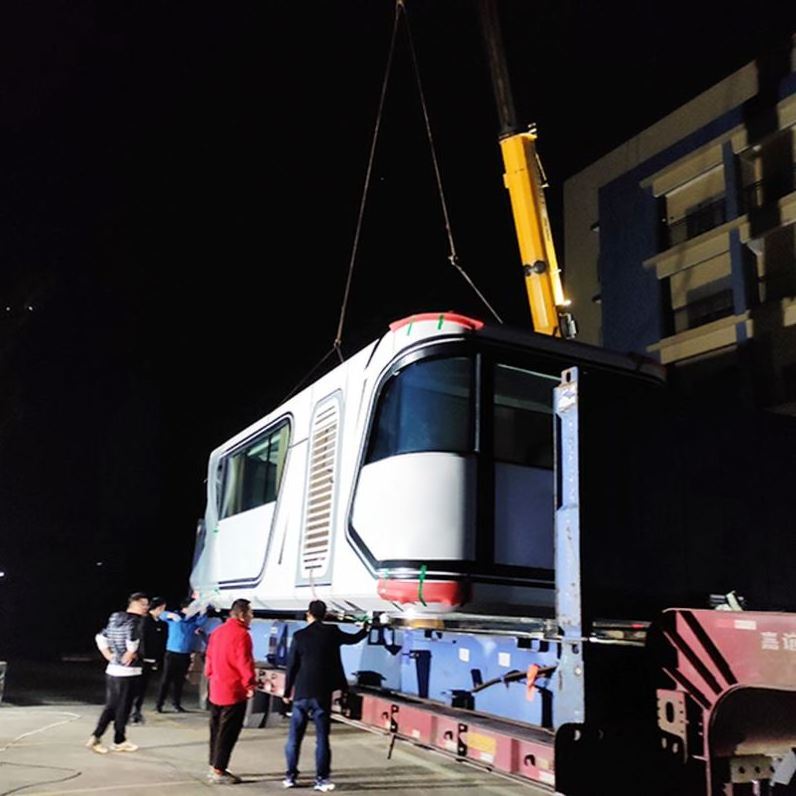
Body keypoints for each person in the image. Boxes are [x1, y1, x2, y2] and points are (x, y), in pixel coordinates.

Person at [282, 600, 369, 792]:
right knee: (322, 739)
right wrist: (366, 627)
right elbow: (354, 639)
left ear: (308, 614)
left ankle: (290, 776)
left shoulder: (299, 636)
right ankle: (321, 779)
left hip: (301, 694)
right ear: (325, 614)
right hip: (322, 694)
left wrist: (287, 691)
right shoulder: (332, 632)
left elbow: (291, 667)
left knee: (294, 738)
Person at [86, 592, 150, 754]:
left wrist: (108, 655)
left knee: (114, 706)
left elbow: (100, 636)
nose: (146, 608)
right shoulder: (135, 621)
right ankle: (112, 738)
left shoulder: (115, 617)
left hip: (113, 670)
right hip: (128, 671)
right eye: (143, 604)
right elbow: (132, 637)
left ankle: (106, 737)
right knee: (121, 707)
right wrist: (131, 651)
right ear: (134, 604)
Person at [204, 598, 256, 785]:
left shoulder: (217, 632)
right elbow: (244, 662)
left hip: (216, 687)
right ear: (242, 615)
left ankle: (214, 764)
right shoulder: (242, 635)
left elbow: (209, 658)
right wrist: (249, 685)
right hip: (233, 690)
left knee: (216, 729)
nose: (252, 617)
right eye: (250, 613)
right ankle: (219, 769)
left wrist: (210, 675)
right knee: (228, 732)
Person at [156, 597, 208, 712]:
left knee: (179, 681)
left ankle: (176, 704)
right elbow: (162, 615)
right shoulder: (175, 616)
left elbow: (202, 621)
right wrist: (171, 615)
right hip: (172, 653)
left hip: (185, 654)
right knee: (166, 680)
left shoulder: (193, 620)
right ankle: (159, 704)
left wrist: (203, 610)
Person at [130, 595, 167, 724]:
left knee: (143, 686)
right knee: (136, 686)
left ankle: (137, 711)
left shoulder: (160, 623)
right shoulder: (145, 621)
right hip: (142, 659)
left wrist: (157, 659)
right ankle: (132, 711)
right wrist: (144, 656)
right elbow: (143, 640)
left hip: (151, 659)